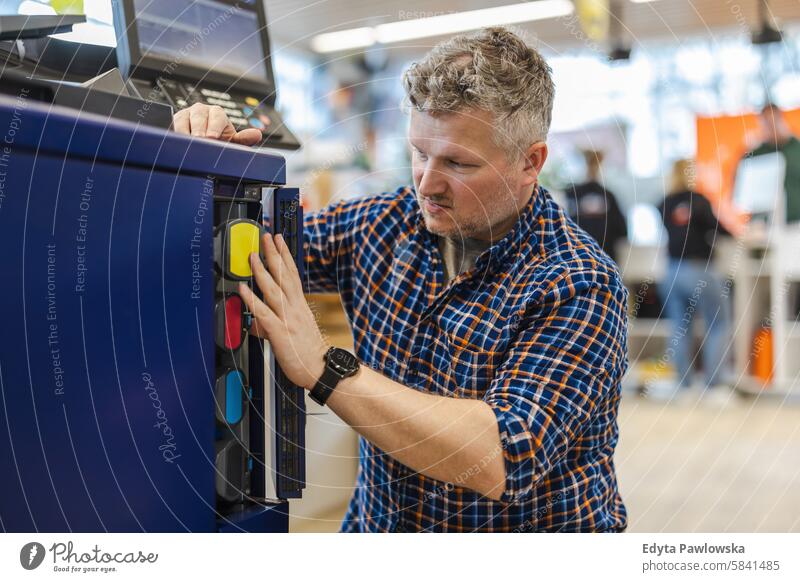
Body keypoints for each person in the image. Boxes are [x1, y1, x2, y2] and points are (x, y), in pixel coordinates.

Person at [174, 27, 628, 532]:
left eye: (458, 163)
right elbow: (238, 250)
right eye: (419, 153)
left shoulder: (578, 285)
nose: (427, 185)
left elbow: (498, 455)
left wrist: (324, 368)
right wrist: (197, 166)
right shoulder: (380, 225)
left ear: (531, 162)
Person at [658, 159, 732, 394]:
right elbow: (720, 229)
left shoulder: (664, 203)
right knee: (719, 322)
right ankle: (714, 384)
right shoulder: (699, 200)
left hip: (671, 271)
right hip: (698, 269)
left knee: (680, 326)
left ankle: (684, 385)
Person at [565, 149, 628, 263]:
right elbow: (622, 230)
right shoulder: (572, 194)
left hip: (594, 258)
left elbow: (621, 229)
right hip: (583, 259)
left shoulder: (573, 194)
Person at [745, 102, 800, 223]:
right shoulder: (756, 155)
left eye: (774, 121)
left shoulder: (797, 148)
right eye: (766, 123)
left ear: (782, 119)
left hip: (796, 221)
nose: (772, 127)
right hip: (767, 224)